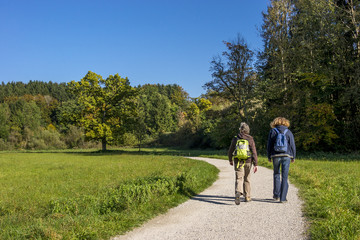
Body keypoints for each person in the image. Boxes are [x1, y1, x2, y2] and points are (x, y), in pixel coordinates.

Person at [267, 117, 296, 203]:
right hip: (286, 155)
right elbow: (292, 145)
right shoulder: (288, 132)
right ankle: (283, 198)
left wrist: (269, 156)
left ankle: (276, 195)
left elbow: (269, 145)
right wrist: (293, 156)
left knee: (276, 174)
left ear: (275, 122)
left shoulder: (272, 131)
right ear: (286, 123)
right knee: (284, 176)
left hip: (275, 155)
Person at [228, 122, 258, 205]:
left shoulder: (235, 138)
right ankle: (247, 196)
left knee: (239, 178)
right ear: (248, 130)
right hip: (248, 161)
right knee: (247, 178)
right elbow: (254, 151)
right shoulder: (250, 138)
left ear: (240, 129)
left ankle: (238, 192)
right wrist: (256, 164)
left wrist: (230, 159)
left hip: (238, 161)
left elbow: (230, 150)